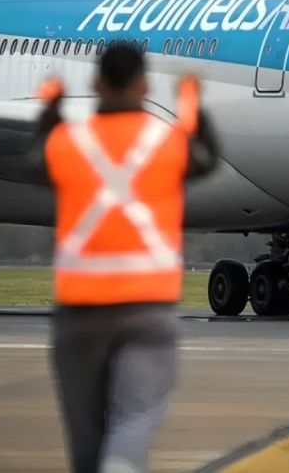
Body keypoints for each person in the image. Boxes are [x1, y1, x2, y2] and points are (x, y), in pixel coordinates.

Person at [35, 42, 218, 473]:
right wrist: (192, 101)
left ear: (96, 83)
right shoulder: (166, 142)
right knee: (134, 418)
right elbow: (205, 156)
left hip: (79, 316)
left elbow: (35, 157)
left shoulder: (68, 141)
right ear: (144, 85)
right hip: (147, 311)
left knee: (85, 442)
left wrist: (50, 107)